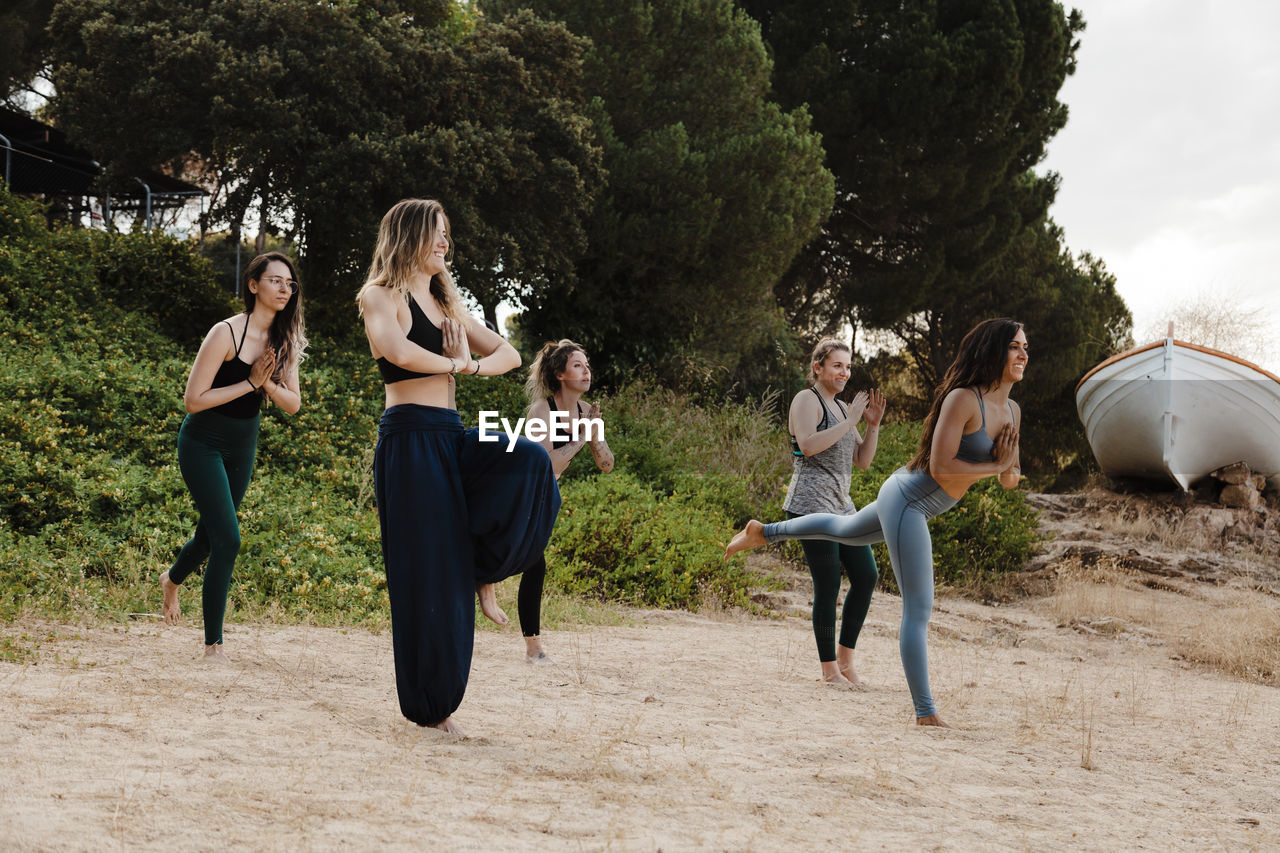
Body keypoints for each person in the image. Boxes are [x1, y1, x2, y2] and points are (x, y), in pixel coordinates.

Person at [725, 318, 1027, 727]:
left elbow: (1010, 476)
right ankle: (925, 712)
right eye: (1014, 346)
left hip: (914, 501)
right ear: (994, 351)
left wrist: (1005, 469)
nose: (1023, 354)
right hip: (909, 500)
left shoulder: (1011, 410)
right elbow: (940, 467)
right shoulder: (962, 399)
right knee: (918, 607)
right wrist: (996, 467)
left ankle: (762, 531)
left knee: (843, 530)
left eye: (1025, 347)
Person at [358, 198, 560, 735]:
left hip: (450, 436)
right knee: (425, 579)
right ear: (409, 236)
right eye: (437, 233)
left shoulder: (447, 302)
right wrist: (455, 362)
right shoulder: (381, 295)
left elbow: (509, 355)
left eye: (448, 234)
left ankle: (481, 568)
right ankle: (432, 708)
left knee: (529, 460)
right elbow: (394, 349)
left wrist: (467, 363)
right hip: (409, 439)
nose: (446, 243)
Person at [160, 252, 307, 660]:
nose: (284, 289)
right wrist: (249, 383)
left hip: (243, 446)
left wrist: (267, 385)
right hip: (203, 444)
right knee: (228, 538)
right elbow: (193, 400)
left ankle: (171, 580)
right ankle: (213, 646)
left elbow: (293, 404)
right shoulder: (225, 333)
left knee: (210, 537)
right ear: (253, 284)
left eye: (289, 283)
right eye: (275, 281)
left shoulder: (285, 339)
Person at [783, 339, 885, 688]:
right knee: (828, 585)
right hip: (811, 503)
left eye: (849, 367)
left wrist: (870, 425)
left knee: (866, 576)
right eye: (838, 365)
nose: (845, 372)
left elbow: (863, 461)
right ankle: (829, 670)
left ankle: (846, 661)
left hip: (842, 505)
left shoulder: (843, 409)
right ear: (818, 368)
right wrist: (851, 420)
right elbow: (807, 446)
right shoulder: (805, 400)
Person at [519, 340, 615, 664]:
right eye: (578, 365)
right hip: (520, 490)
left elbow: (607, 464)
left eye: (587, 365)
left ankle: (533, 648)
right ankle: (534, 650)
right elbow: (546, 465)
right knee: (533, 562)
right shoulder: (540, 411)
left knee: (530, 561)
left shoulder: (587, 413)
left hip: (546, 496)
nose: (586, 370)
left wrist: (594, 437)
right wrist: (580, 438)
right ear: (560, 374)